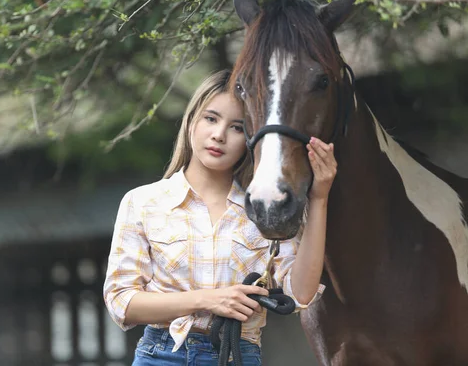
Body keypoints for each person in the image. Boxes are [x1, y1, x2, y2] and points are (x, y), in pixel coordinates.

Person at [102, 69, 337, 365]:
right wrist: (209, 299)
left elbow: (300, 295)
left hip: (237, 355)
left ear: (251, 138)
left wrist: (319, 198)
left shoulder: (264, 209)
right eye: (210, 119)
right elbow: (121, 301)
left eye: (237, 128)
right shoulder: (143, 202)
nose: (219, 135)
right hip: (161, 355)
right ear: (191, 122)